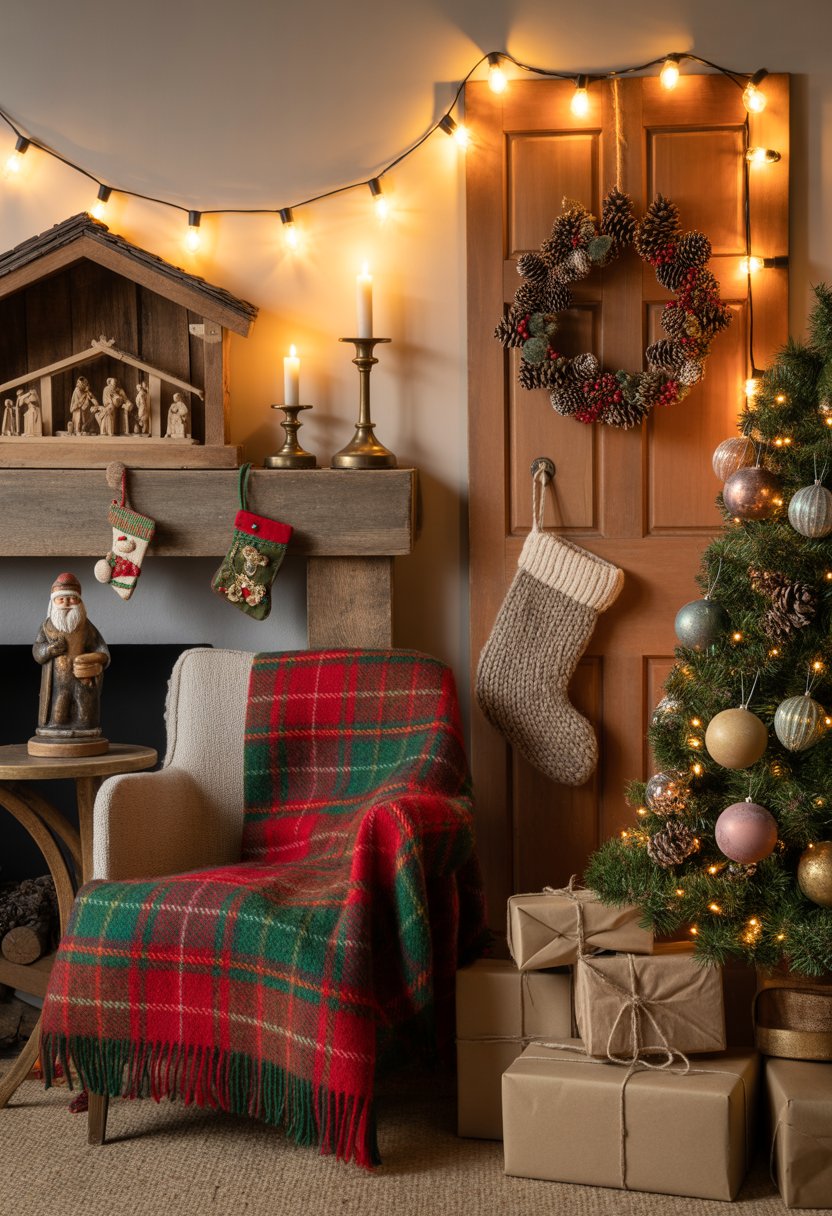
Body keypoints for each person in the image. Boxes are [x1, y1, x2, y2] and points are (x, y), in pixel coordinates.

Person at [32, 573, 110, 742]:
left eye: (71, 599)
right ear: (53, 602)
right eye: (61, 599)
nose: (66, 603)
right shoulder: (47, 628)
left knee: (85, 716)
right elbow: (37, 651)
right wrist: (49, 649)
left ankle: (84, 735)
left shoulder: (87, 627)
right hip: (57, 685)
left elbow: (102, 650)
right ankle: (56, 735)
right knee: (58, 716)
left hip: (83, 681)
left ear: (79, 601)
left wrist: (95, 661)